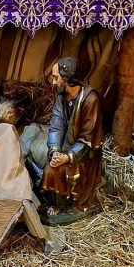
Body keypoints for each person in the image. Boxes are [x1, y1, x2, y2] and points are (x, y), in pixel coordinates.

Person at [41, 57, 104, 216]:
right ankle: (59, 204)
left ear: (67, 78)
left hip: (84, 155)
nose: (53, 82)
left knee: (58, 171)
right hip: (66, 149)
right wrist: (55, 151)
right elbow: (56, 126)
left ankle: (73, 204)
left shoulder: (90, 99)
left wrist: (68, 157)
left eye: (56, 78)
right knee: (49, 169)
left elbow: (88, 137)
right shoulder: (62, 97)